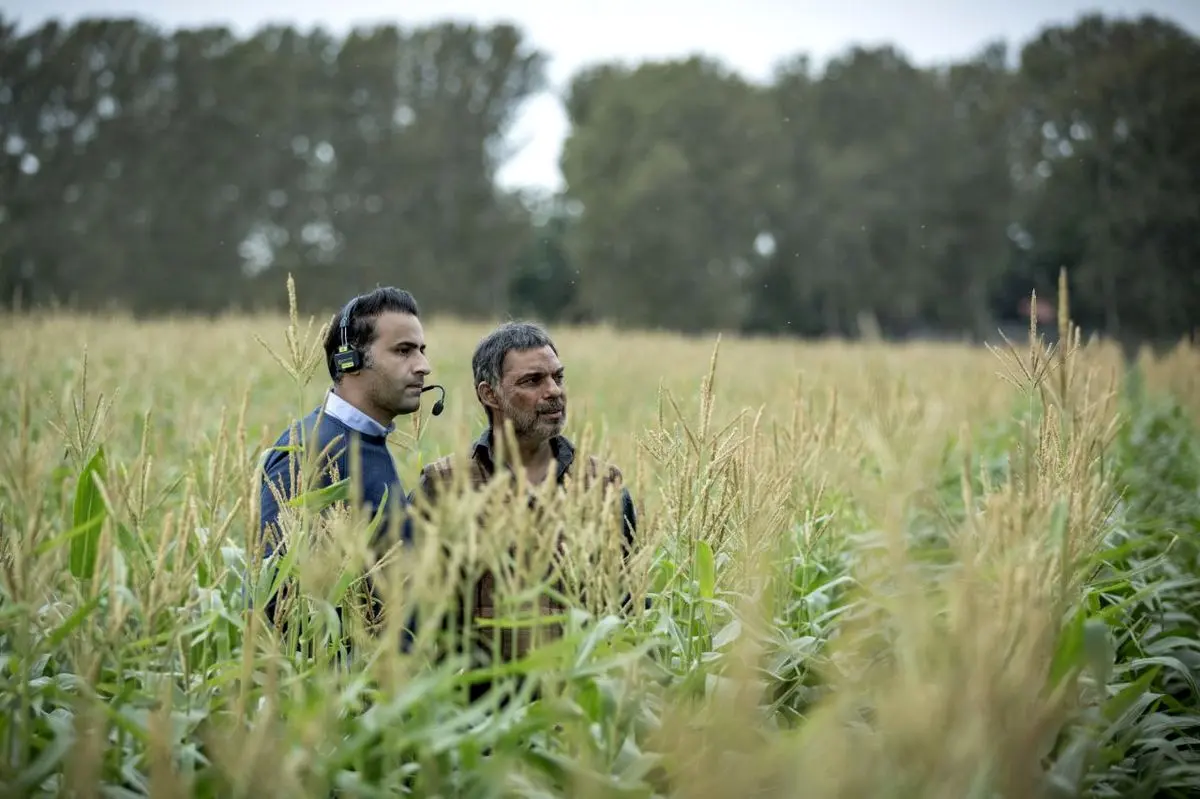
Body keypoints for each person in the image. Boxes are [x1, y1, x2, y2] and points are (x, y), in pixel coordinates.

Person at [413, 321, 637, 691]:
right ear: (491, 395)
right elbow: (412, 609)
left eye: (558, 378)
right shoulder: (444, 487)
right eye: (532, 381)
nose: (554, 392)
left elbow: (625, 610)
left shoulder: (602, 487)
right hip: (476, 724)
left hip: (578, 712)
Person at [257, 286, 434, 635]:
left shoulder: (367, 441)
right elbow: (275, 601)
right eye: (403, 351)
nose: (423, 366)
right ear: (348, 361)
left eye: (421, 351)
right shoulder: (310, 451)